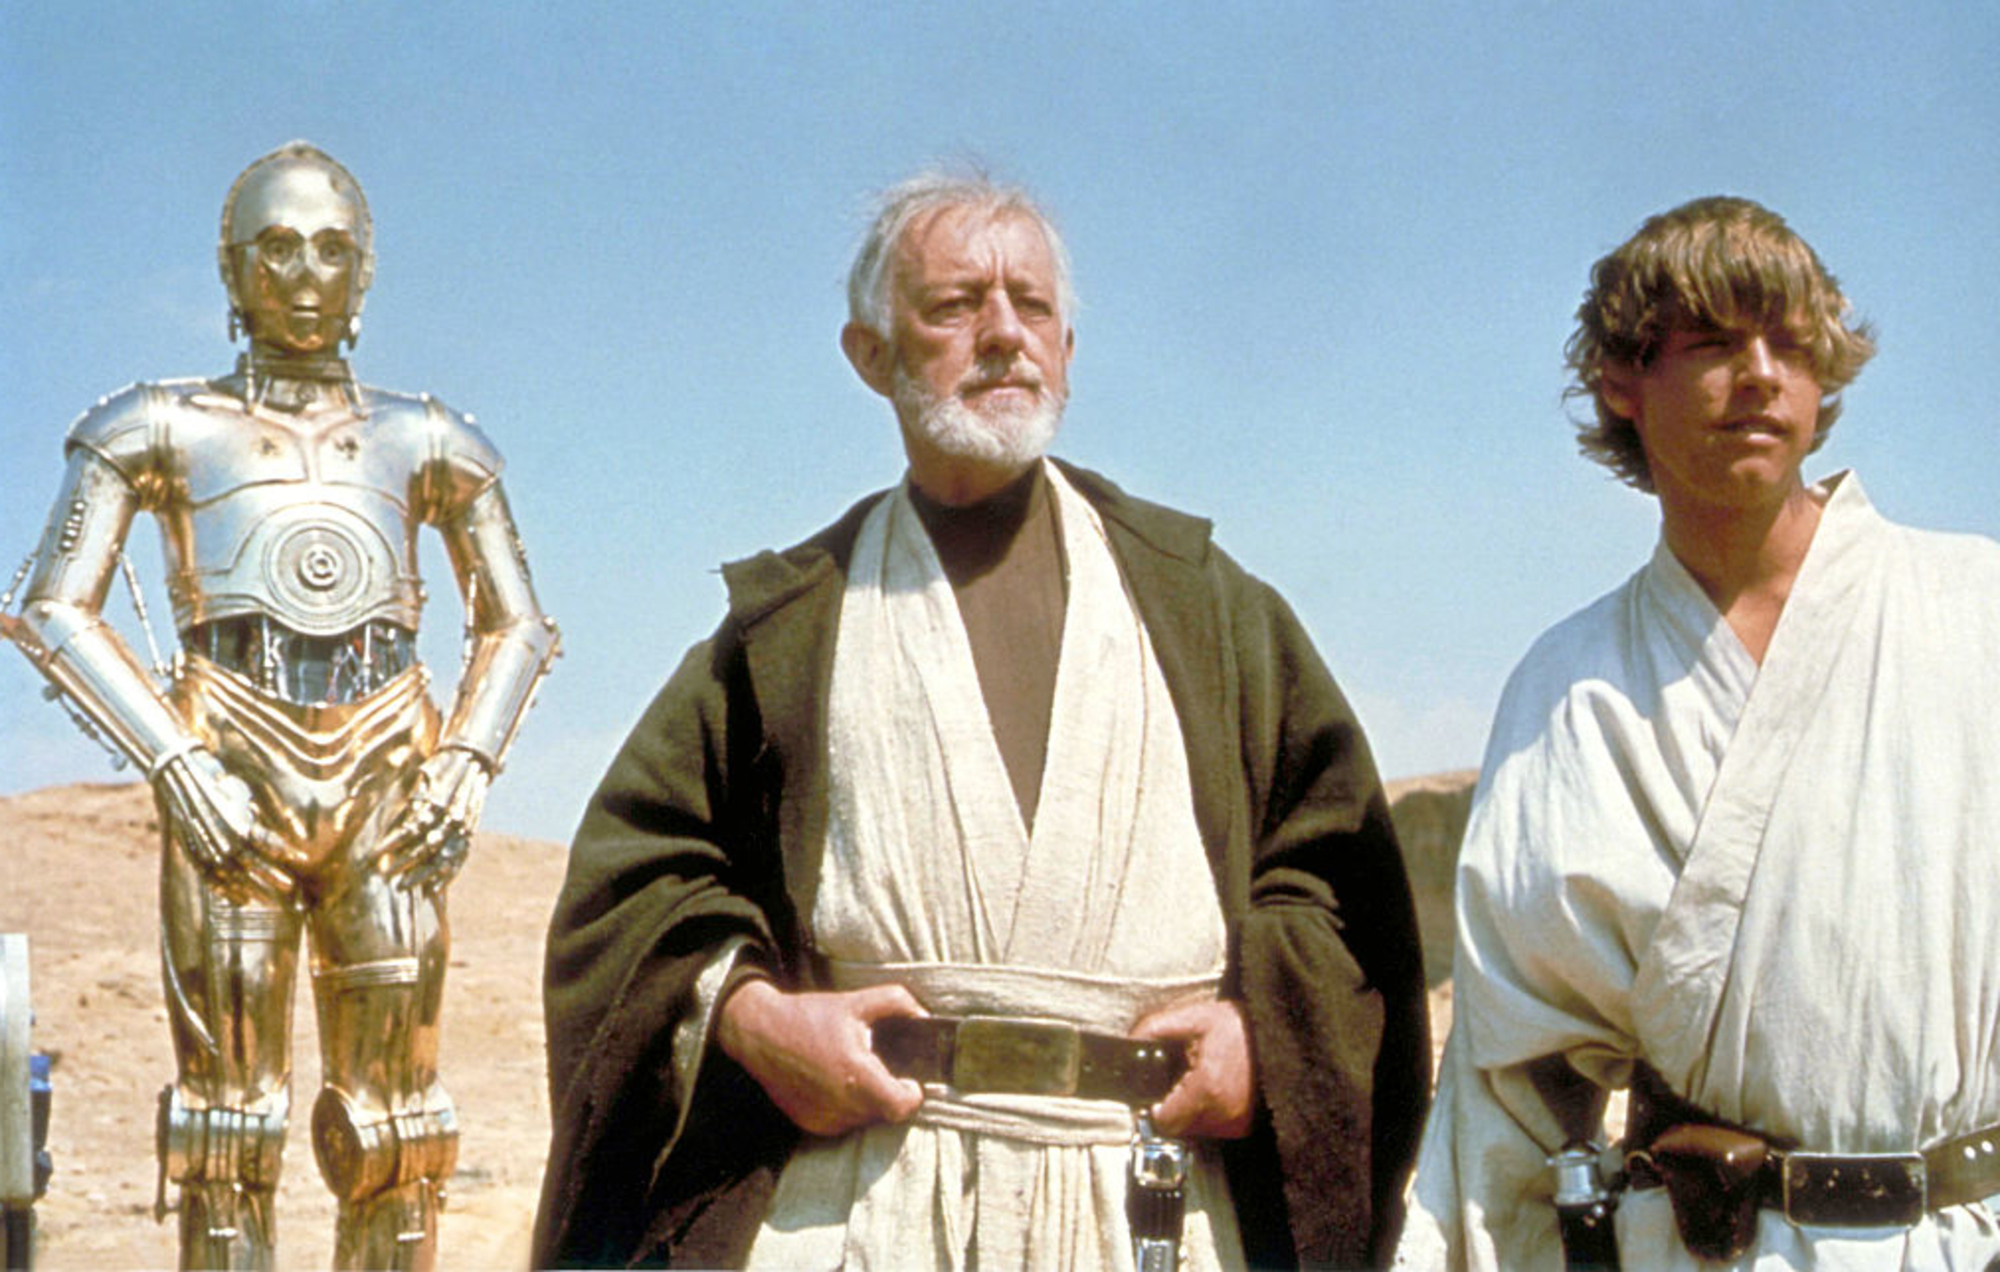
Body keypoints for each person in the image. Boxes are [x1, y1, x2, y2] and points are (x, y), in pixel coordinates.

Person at [532, 167, 1429, 1270]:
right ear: (871, 355)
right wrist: (755, 1020)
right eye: (956, 306)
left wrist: (1265, 1038)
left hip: (1151, 1202)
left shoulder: (1203, 604)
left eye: (1033, 306)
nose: (1004, 334)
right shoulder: (793, 625)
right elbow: (633, 891)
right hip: (869, 1208)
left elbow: (1339, 882)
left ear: (1067, 351)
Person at [1396, 196, 2000, 1270]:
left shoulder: (1973, 611)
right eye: (1714, 342)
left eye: (1790, 343)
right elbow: (1510, 1094)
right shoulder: (1568, 689)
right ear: (1620, 383)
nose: (1760, 374)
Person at [0, 141, 559, 1270]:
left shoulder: (429, 439)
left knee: (396, 1127)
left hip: (390, 781)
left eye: (331, 250)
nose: (305, 274)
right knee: (227, 1129)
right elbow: (49, 605)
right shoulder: (156, 426)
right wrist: (176, 761)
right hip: (230, 775)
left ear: (366, 272)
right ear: (231, 268)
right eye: (278, 248)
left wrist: (465, 762)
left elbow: (518, 623)